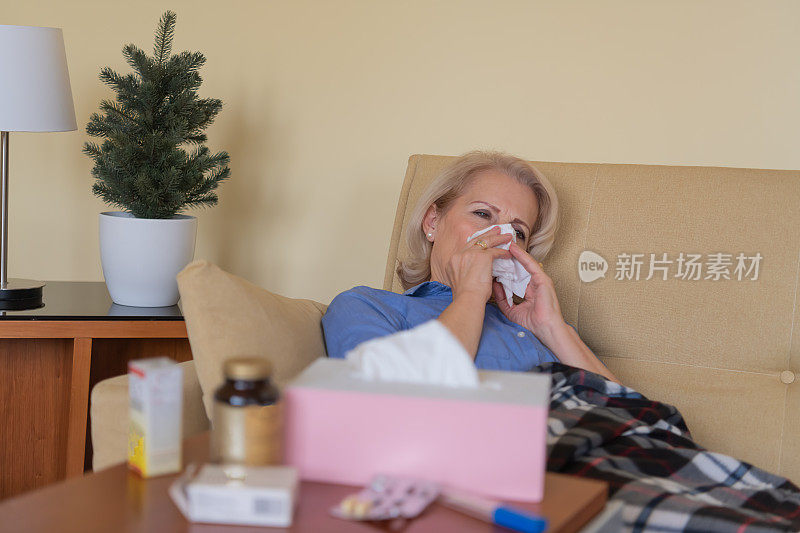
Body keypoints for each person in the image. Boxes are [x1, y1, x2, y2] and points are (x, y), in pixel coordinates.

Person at [321, 150, 619, 384]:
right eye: (482, 213)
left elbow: (635, 418)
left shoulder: (542, 327)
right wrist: (470, 296)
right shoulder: (368, 305)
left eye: (518, 232)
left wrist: (552, 328)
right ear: (433, 222)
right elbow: (389, 403)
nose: (502, 237)